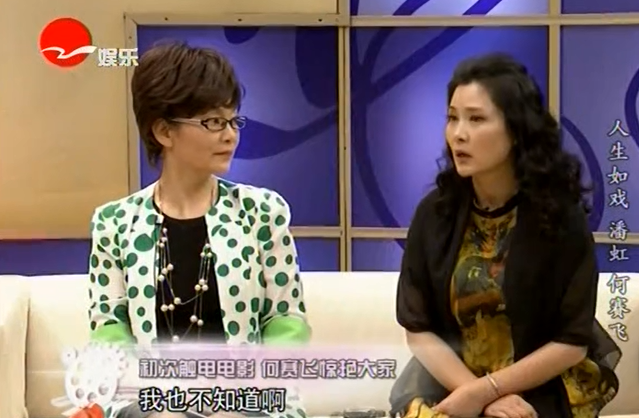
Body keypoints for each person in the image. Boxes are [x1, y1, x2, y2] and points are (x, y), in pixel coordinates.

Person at [87, 42, 311, 418]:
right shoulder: (115, 224)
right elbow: (109, 331)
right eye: (213, 122)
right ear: (164, 131)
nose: (230, 135)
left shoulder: (261, 212)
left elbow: (286, 318)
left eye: (233, 121)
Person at [391, 54, 621, 418]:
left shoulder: (559, 218)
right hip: (452, 381)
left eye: (476, 119)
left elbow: (572, 341)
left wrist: (489, 390)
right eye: (452, 118)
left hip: (538, 386)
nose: (458, 133)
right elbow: (418, 330)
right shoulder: (434, 214)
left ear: (515, 130)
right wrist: (475, 394)